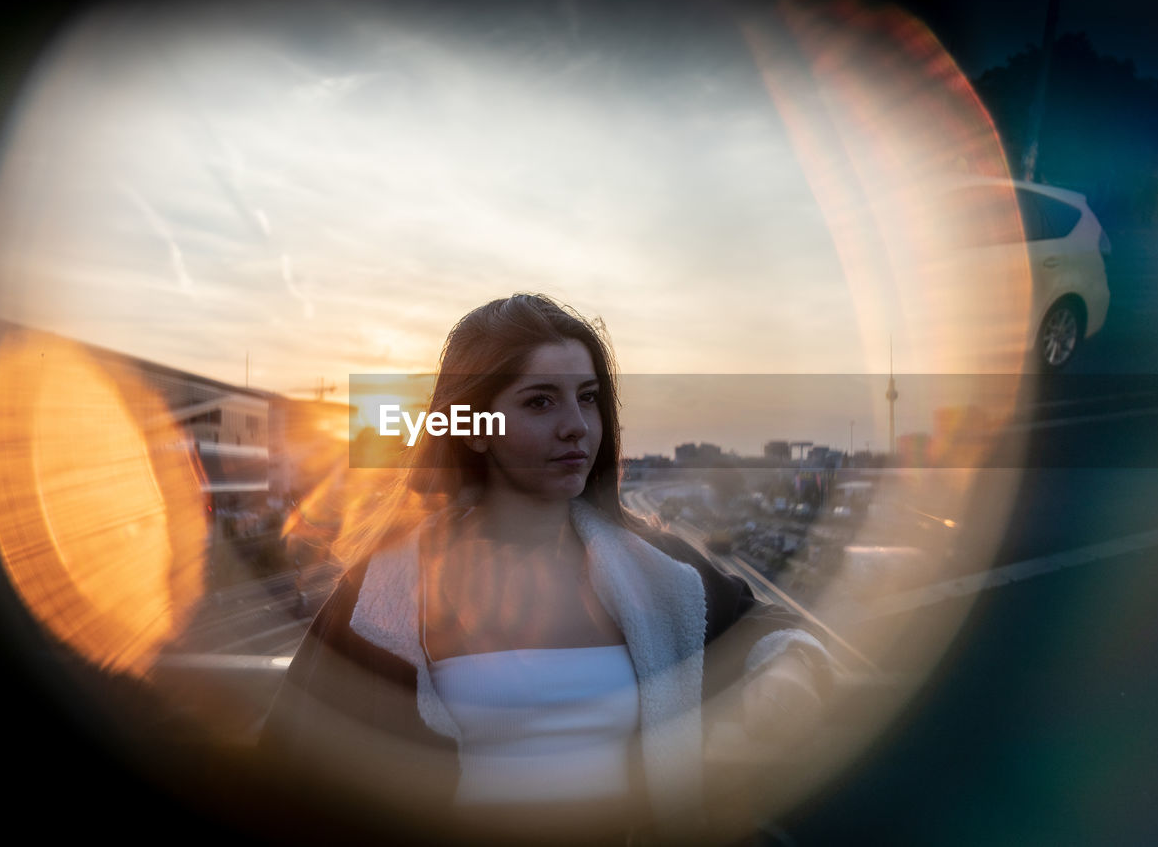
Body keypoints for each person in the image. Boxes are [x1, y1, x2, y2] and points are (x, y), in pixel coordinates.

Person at [259, 294, 835, 845]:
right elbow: (287, 772)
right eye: (540, 401)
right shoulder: (380, 593)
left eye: (587, 398)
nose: (576, 426)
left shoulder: (656, 570)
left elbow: (768, 626)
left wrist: (786, 673)